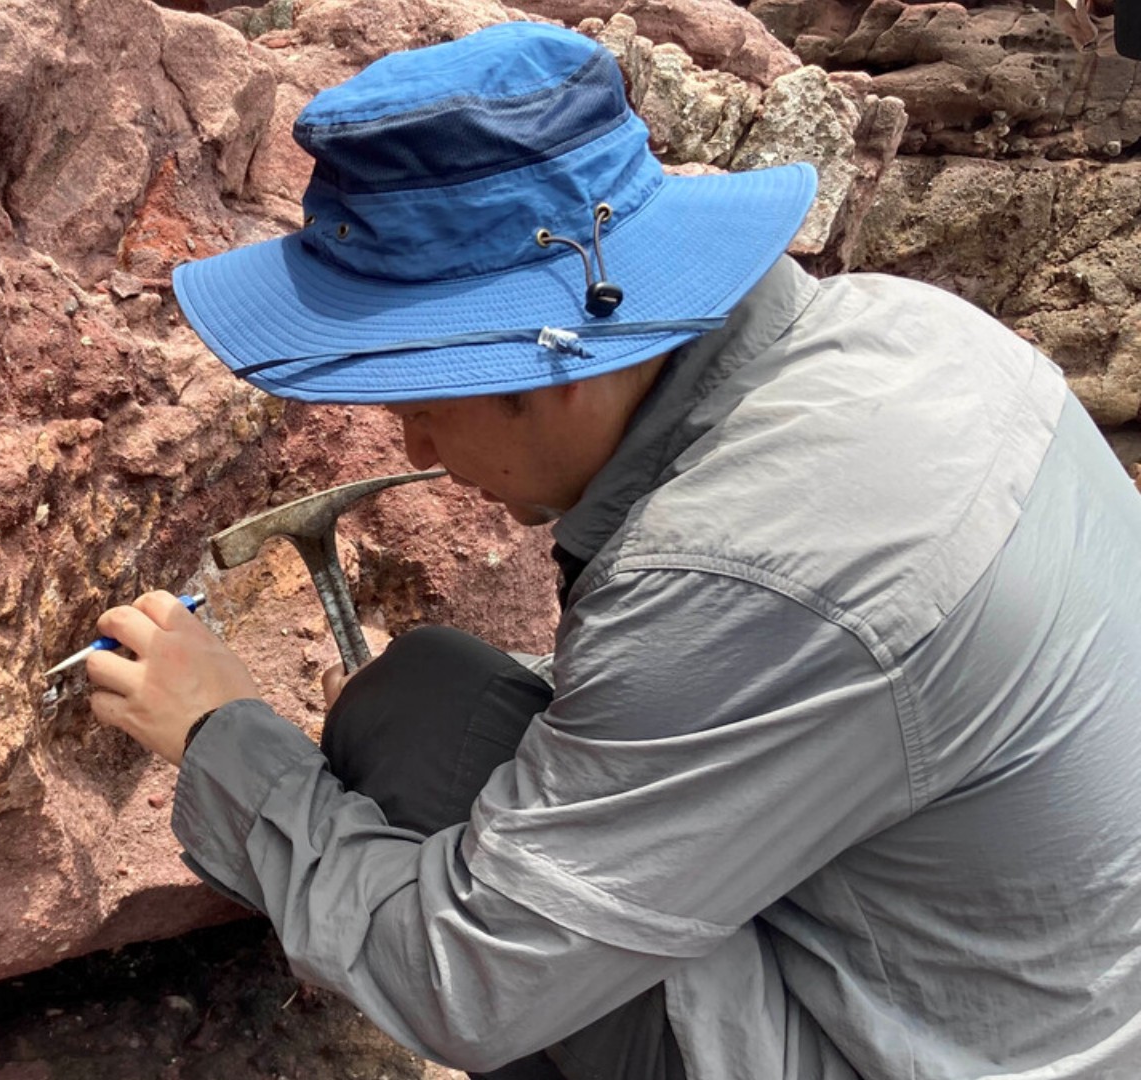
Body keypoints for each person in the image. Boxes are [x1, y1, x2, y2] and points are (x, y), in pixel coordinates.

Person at [79, 20, 1141, 1080]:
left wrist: (220, 733)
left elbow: (465, 985)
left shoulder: (735, 570)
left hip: (927, 1050)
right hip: (1037, 992)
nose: (415, 448)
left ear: (560, 363)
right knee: (432, 698)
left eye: (425, 400)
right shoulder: (909, 327)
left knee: (417, 754)